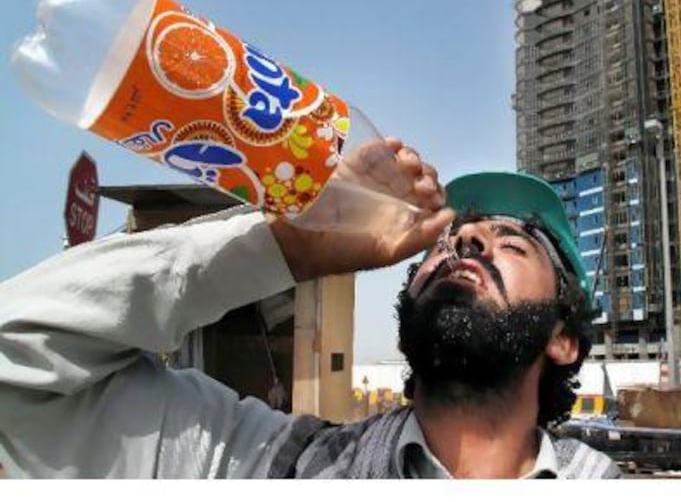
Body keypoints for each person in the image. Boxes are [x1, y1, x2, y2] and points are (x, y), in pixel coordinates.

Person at [0, 139, 619, 478]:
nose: (469, 240)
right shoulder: (271, 466)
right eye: (450, 241)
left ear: (564, 339)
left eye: (511, 244)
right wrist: (287, 245)